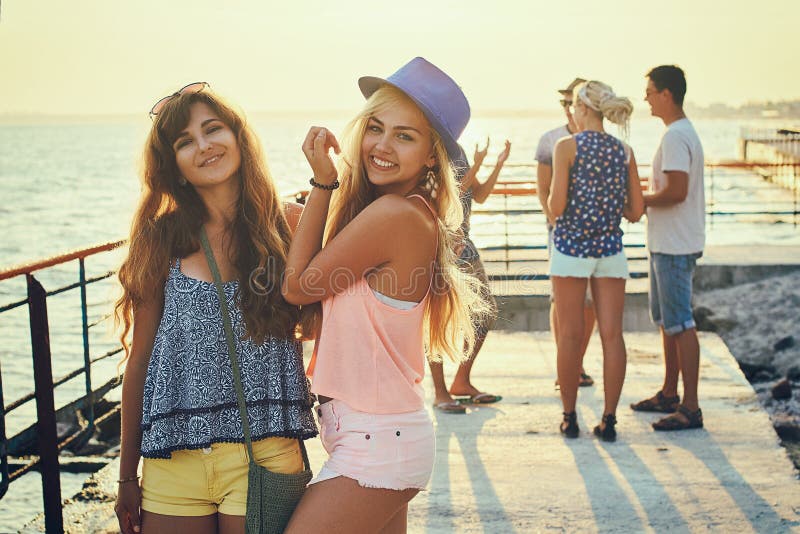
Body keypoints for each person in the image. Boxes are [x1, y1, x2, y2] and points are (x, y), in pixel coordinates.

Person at [281, 57, 487, 533]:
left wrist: (322, 182)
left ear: (432, 155)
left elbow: (297, 288)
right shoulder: (408, 213)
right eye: (376, 128)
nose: (382, 146)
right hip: (381, 436)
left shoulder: (395, 214)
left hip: (377, 443)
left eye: (405, 136)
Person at [113, 83, 317, 534]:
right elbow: (140, 361)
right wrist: (127, 475)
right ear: (176, 167)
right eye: (185, 141)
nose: (203, 146)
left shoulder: (290, 224)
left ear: (238, 137)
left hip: (263, 452)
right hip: (175, 459)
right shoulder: (159, 239)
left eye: (212, 129)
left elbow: (326, 320)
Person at [548, 80, 644, 442]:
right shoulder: (624, 150)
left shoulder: (566, 147)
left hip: (571, 250)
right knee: (612, 337)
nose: (571, 112)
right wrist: (607, 206)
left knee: (570, 336)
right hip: (610, 251)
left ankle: (570, 418)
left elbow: (556, 207)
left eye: (573, 106)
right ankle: (609, 420)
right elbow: (636, 211)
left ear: (584, 109)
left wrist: (556, 207)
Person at [630, 65, 706, 432]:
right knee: (667, 323)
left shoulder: (676, 137)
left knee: (681, 323)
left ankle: (690, 407)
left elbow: (677, 191)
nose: (645, 97)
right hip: (668, 242)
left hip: (675, 245)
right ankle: (669, 392)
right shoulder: (677, 133)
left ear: (667, 94)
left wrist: (638, 200)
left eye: (650, 90)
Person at [430, 138, 510, 414]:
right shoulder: (432, 150)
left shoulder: (459, 151)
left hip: (466, 245)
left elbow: (480, 195)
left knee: (486, 314)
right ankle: (440, 391)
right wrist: (477, 163)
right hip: (439, 246)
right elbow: (448, 199)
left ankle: (462, 381)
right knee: (436, 320)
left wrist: (497, 164)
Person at [535, 77, 596, 389]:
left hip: (594, 236)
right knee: (561, 299)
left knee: (590, 301)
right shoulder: (551, 140)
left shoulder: (600, 140)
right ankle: (565, 366)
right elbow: (543, 189)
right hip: (560, 232)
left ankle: (578, 363)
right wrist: (556, 224)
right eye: (568, 103)